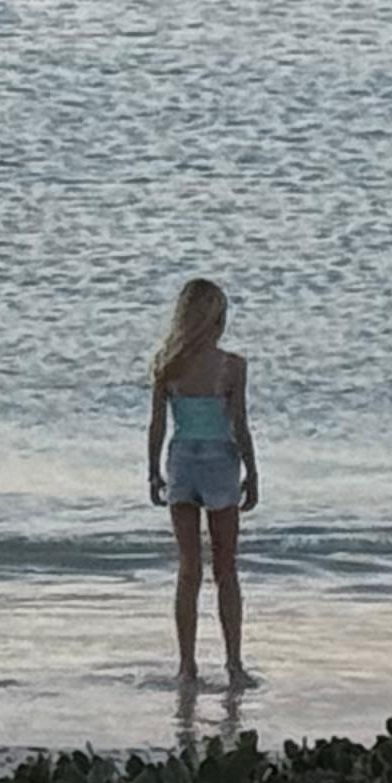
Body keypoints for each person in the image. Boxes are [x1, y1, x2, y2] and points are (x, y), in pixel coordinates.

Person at [144, 276, 258, 688]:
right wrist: (253, 472)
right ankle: (233, 664)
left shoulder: (166, 364)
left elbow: (157, 425)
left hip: (181, 462)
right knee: (226, 568)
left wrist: (153, 470)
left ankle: (187, 666)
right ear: (216, 320)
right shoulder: (232, 366)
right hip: (219, 463)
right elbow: (239, 427)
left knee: (188, 569)